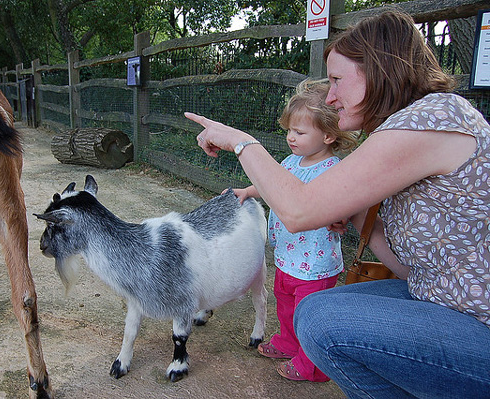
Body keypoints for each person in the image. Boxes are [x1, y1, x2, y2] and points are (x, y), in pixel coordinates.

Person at [185, 9, 490, 398]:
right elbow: (404, 267)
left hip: (476, 320)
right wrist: (357, 213)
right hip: (436, 296)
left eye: (337, 80)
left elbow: (297, 211)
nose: (330, 96)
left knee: (317, 317)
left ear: (379, 70)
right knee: (325, 309)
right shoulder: (410, 127)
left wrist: (240, 142)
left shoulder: (431, 119)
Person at [228, 79, 358, 382]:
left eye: (299, 132)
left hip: (316, 263)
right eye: (289, 130)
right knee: (285, 305)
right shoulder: (291, 161)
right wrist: (248, 191)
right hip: (287, 256)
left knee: (309, 316)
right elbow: (270, 184)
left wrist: (340, 216)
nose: (290, 137)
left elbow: (346, 205)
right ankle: (288, 343)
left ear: (327, 135)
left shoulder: (333, 171)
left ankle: (312, 364)